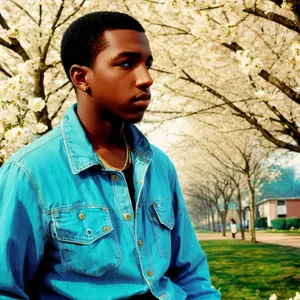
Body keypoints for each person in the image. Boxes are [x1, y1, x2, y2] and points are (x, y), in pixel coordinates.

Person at [0, 11, 221, 299]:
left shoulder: (159, 165)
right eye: (127, 63)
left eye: (148, 64)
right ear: (81, 77)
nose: (147, 79)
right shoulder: (29, 172)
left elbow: (191, 275)